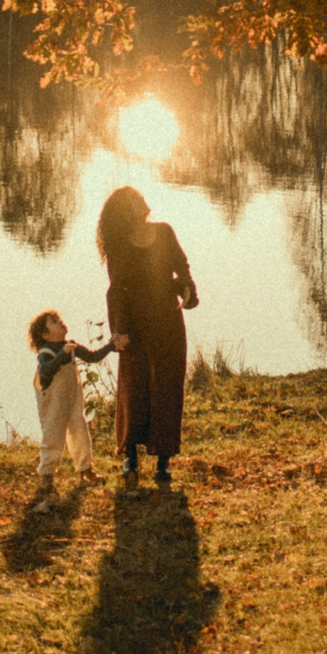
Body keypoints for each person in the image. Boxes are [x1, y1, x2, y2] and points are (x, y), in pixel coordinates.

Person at [98, 185, 197, 485]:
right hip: (135, 324)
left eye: (140, 197)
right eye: (135, 200)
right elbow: (117, 290)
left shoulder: (164, 232)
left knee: (168, 387)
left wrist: (187, 288)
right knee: (134, 388)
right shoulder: (119, 246)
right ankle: (130, 456)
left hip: (168, 319)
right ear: (124, 211)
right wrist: (119, 330)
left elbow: (181, 268)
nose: (142, 201)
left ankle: (163, 462)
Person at [27, 308, 120, 485]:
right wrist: (62, 354)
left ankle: (86, 469)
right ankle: (47, 475)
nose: (60, 322)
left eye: (59, 319)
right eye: (54, 322)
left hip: (72, 400)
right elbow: (45, 372)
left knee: (80, 433)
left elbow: (92, 357)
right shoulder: (46, 352)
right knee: (53, 436)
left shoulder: (71, 346)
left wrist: (111, 346)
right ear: (45, 335)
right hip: (52, 402)